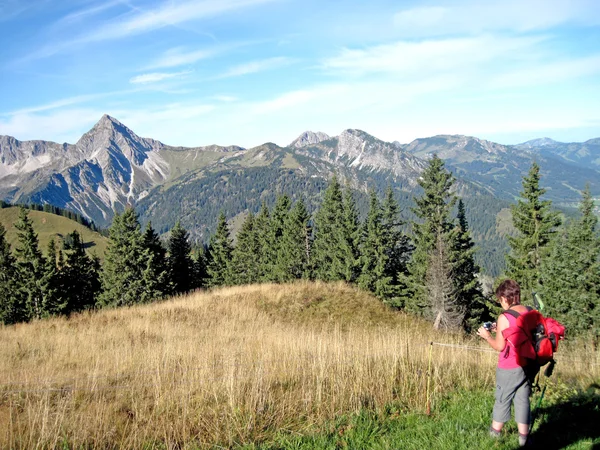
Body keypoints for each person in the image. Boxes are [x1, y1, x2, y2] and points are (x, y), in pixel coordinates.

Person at [477, 279, 531, 447]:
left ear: (505, 298)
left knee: (502, 398)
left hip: (509, 366)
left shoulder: (504, 316)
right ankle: (524, 438)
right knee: (523, 399)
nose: (500, 303)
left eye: (500, 300)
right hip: (527, 364)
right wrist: (498, 329)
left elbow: (500, 346)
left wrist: (487, 336)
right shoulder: (529, 311)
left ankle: (494, 434)